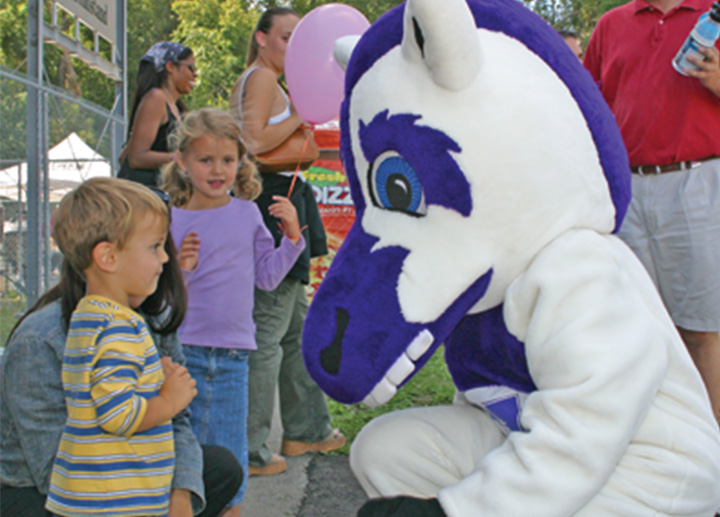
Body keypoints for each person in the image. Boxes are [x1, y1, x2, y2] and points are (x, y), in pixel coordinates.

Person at [0, 180, 243, 517]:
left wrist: (179, 494)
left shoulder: (144, 318)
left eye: (163, 247)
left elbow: (177, 423)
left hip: (121, 463)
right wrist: (143, 495)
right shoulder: (40, 340)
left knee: (218, 468)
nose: (165, 260)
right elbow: (55, 469)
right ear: (108, 257)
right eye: (154, 247)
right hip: (52, 491)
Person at [162, 107, 305, 515]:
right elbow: (158, 298)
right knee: (181, 452)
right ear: (182, 162)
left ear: (240, 160)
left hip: (233, 357)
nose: (217, 169)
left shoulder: (246, 214)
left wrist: (292, 238)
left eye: (227, 159)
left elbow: (267, 278)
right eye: (206, 160)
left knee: (230, 447)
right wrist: (181, 271)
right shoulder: (167, 219)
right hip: (180, 354)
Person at [584, 0, 720, 418]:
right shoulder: (611, 25)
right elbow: (589, 104)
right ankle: (665, 439)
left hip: (698, 181)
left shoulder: (710, 14)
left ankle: (713, 450)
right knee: (639, 328)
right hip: (628, 189)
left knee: (702, 329)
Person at [231, 6, 345, 478]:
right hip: (273, 205)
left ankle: (306, 429)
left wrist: (298, 132)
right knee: (269, 333)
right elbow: (251, 144)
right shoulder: (260, 79)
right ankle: (251, 449)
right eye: (284, 36)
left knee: (295, 329)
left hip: (285, 198)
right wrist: (298, 117)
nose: (291, 47)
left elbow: (312, 150)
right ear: (261, 39)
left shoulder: (273, 83)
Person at [119, 42, 196, 187]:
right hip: (143, 196)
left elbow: (124, 156)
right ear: (170, 67)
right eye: (191, 67)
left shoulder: (175, 106)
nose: (195, 74)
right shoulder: (156, 98)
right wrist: (185, 159)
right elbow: (136, 158)